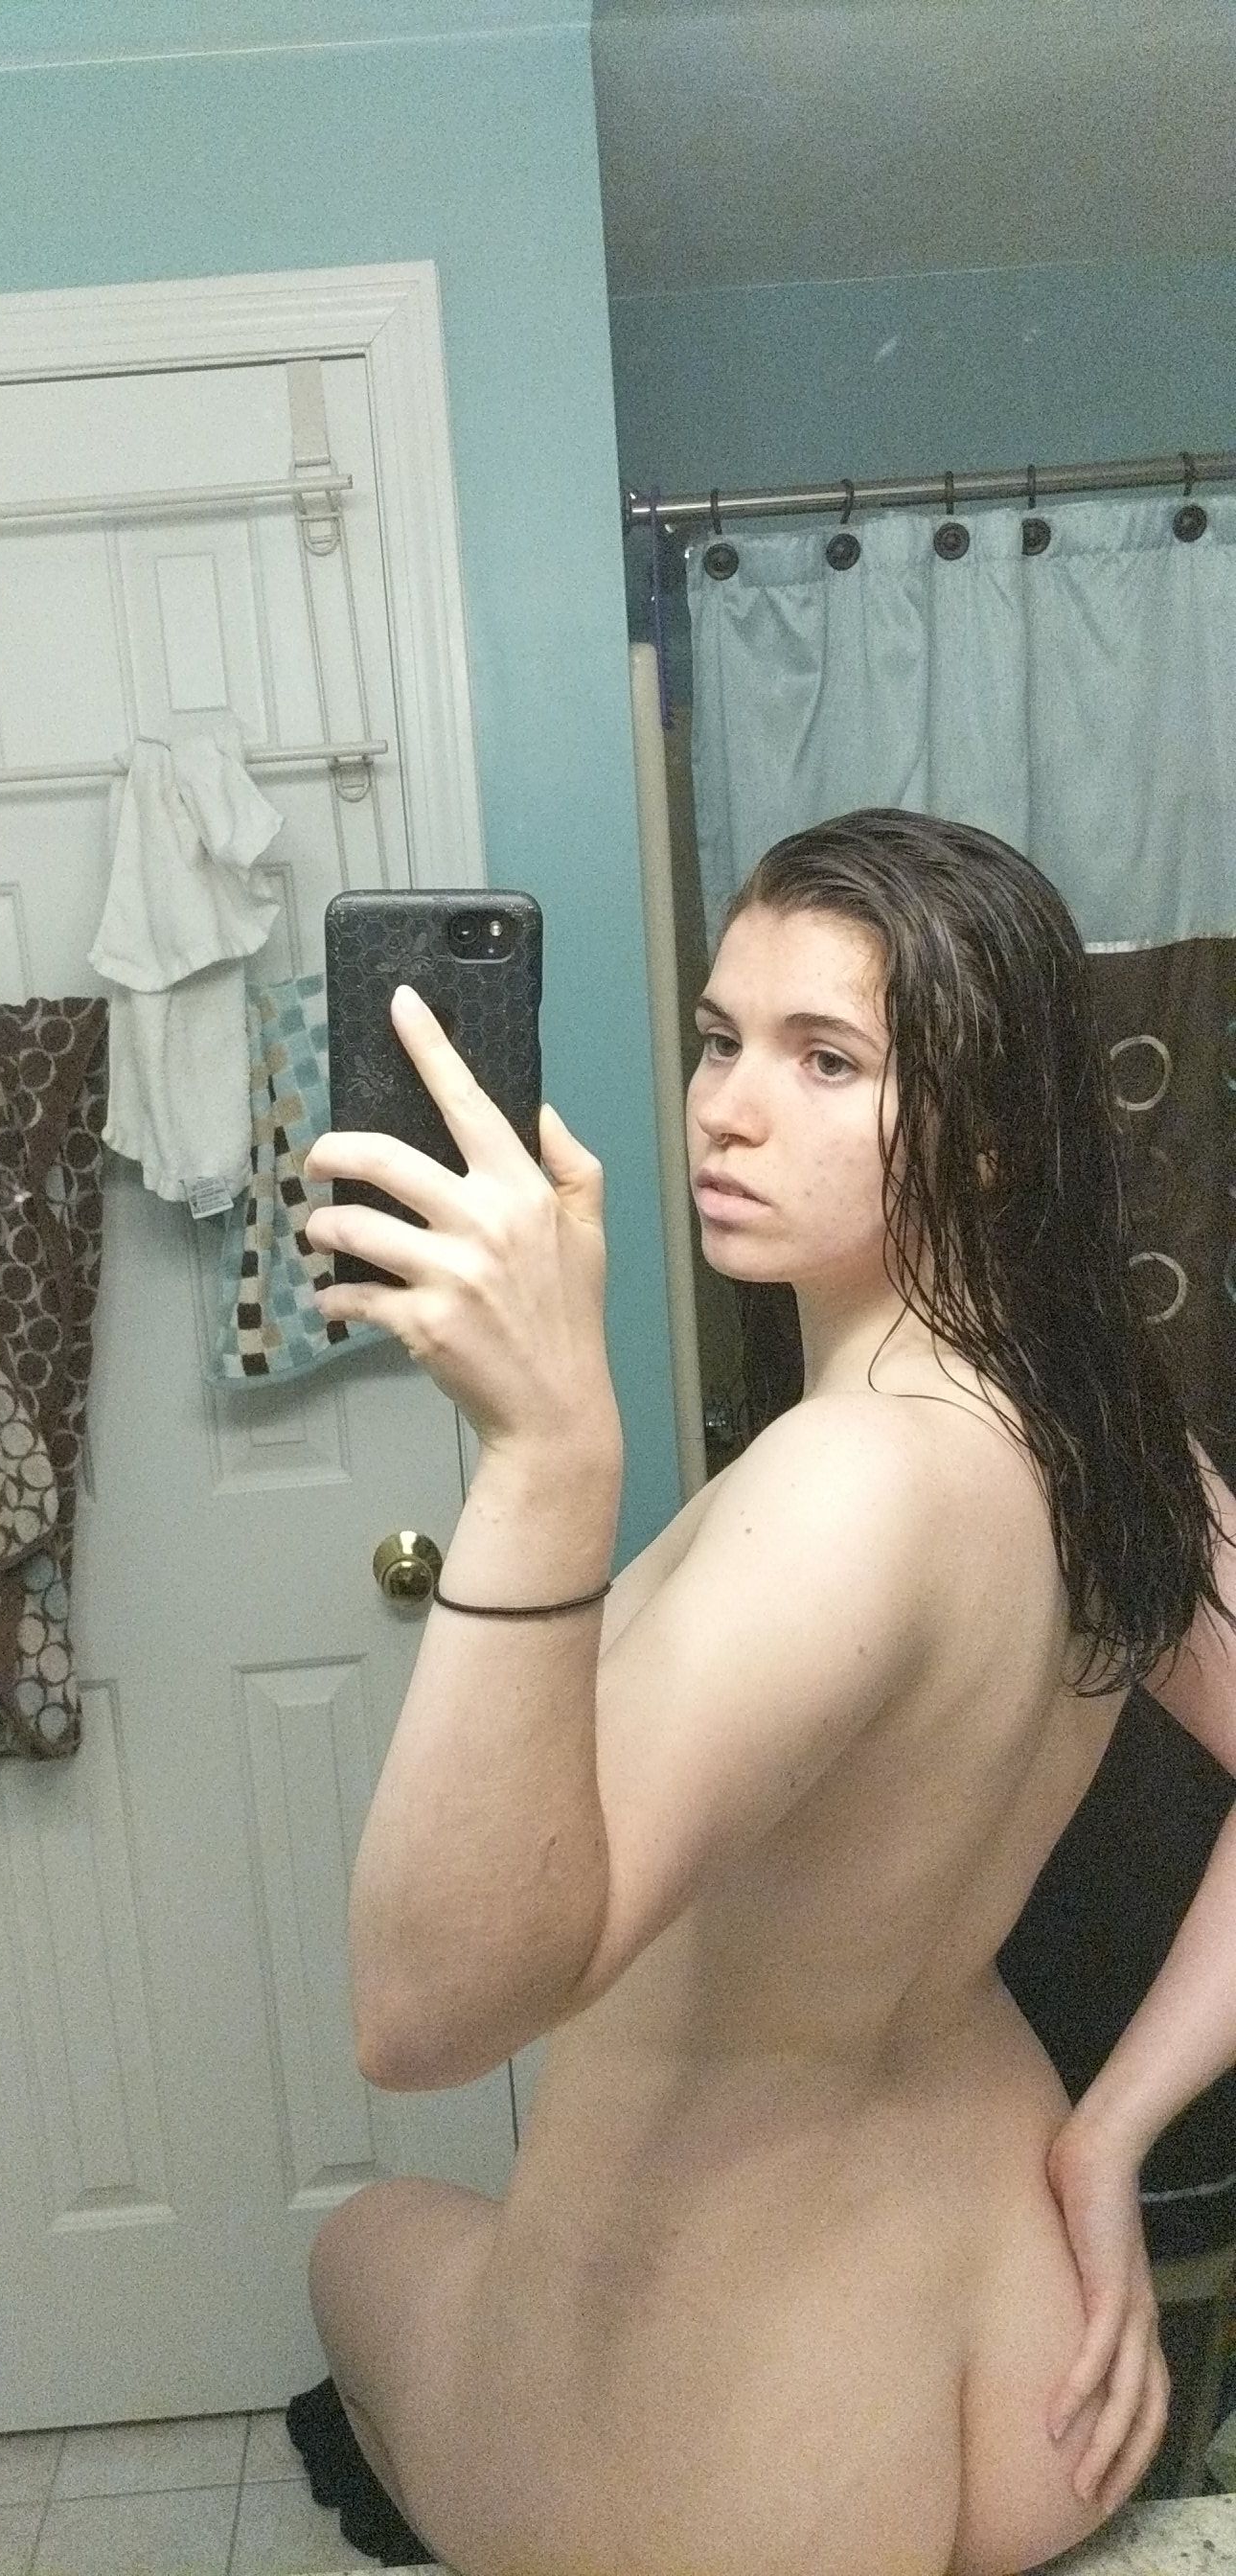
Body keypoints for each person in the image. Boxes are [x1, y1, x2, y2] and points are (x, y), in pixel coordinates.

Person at [297, 809, 1235, 2576]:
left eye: (828, 1060)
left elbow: (422, 2019)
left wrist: (547, 1459)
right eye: (723, 1039)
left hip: (729, 2444)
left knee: (354, 2243)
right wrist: (1107, 2137)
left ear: (989, 1132)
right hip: (1019, 2344)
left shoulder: (844, 1486)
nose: (727, 1108)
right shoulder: (1098, 1427)